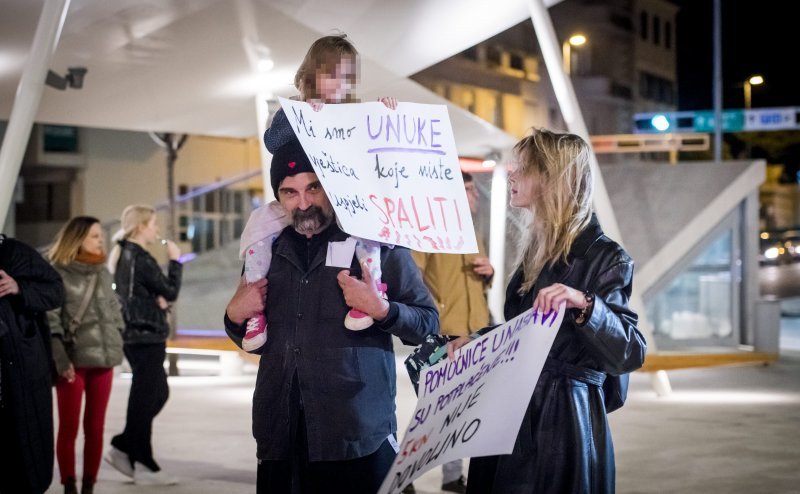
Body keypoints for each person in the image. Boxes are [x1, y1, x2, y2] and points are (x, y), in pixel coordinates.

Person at [224, 136, 439, 494]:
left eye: (313, 187)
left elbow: (427, 323)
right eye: (290, 192)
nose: (304, 202)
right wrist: (233, 315)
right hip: (282, 431)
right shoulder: (267, 247)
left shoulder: (374, 236)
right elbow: (251, 333)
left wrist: (382, 309)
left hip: (356, 434)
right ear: (279, 197)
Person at [448, 128, 647, 493]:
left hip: (563, 424)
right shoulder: (536, 252)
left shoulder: (605, 256)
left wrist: (585, 304)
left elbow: (631, 352)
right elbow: (526, 332)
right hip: (512, 410)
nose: (511, 174)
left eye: (521, 167)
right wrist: (476, 342)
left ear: (551, 178)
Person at [239, 33, 398, 353]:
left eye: (345, 78)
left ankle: (372, 289)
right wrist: (302, 117)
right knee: (259, 225)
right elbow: (272, 142)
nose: (338, 85)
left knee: (370, 227)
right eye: (330, 75)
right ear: (310, 75)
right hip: (300, 200)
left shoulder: (354, 111)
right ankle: (255, 311)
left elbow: (378, 150)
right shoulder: (293, 109)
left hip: (342, 200)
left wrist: (386, 116)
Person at [411, 172, 493, 494]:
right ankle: (403, 473)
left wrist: (489, 273)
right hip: (445, 333)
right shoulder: (431, 229)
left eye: (473, 190)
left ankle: (451, 476)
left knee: (461, 410)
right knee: (435, 411)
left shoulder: (472, 232)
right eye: (467, 190)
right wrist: (432, 310)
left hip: (476, 331)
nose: (473, 196)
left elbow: (478, 279)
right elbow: (413, 272)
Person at [104, 205, 182, 486]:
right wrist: (176, 261)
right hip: (146, 336)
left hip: (136, 335)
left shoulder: (124, 255)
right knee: (147, 397)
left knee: (156, 393)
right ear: (140, 227)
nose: (156, 230)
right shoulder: (141, 258)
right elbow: (170, 290)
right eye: (153, 224)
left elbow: (138, 293)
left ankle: (125, 446)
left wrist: (154, 300)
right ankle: (143, 461)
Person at [46, 217, 124, 494]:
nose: (100, 240)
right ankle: (69, 485)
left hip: (104, 359)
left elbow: (113, 309)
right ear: (77, 238)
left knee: (95, 427)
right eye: (94, 236)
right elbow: (51, 320)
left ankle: (89, 485)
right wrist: (60, 358)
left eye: (100, 236)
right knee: (68, 428)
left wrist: (118, 333)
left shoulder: (103, 272)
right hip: (73, 362)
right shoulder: (57, 272)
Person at [0, 234, 64, 494]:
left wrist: (19, 288)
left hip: (20, 372)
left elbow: (55, 291)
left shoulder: (14, 252)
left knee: (23, 444)